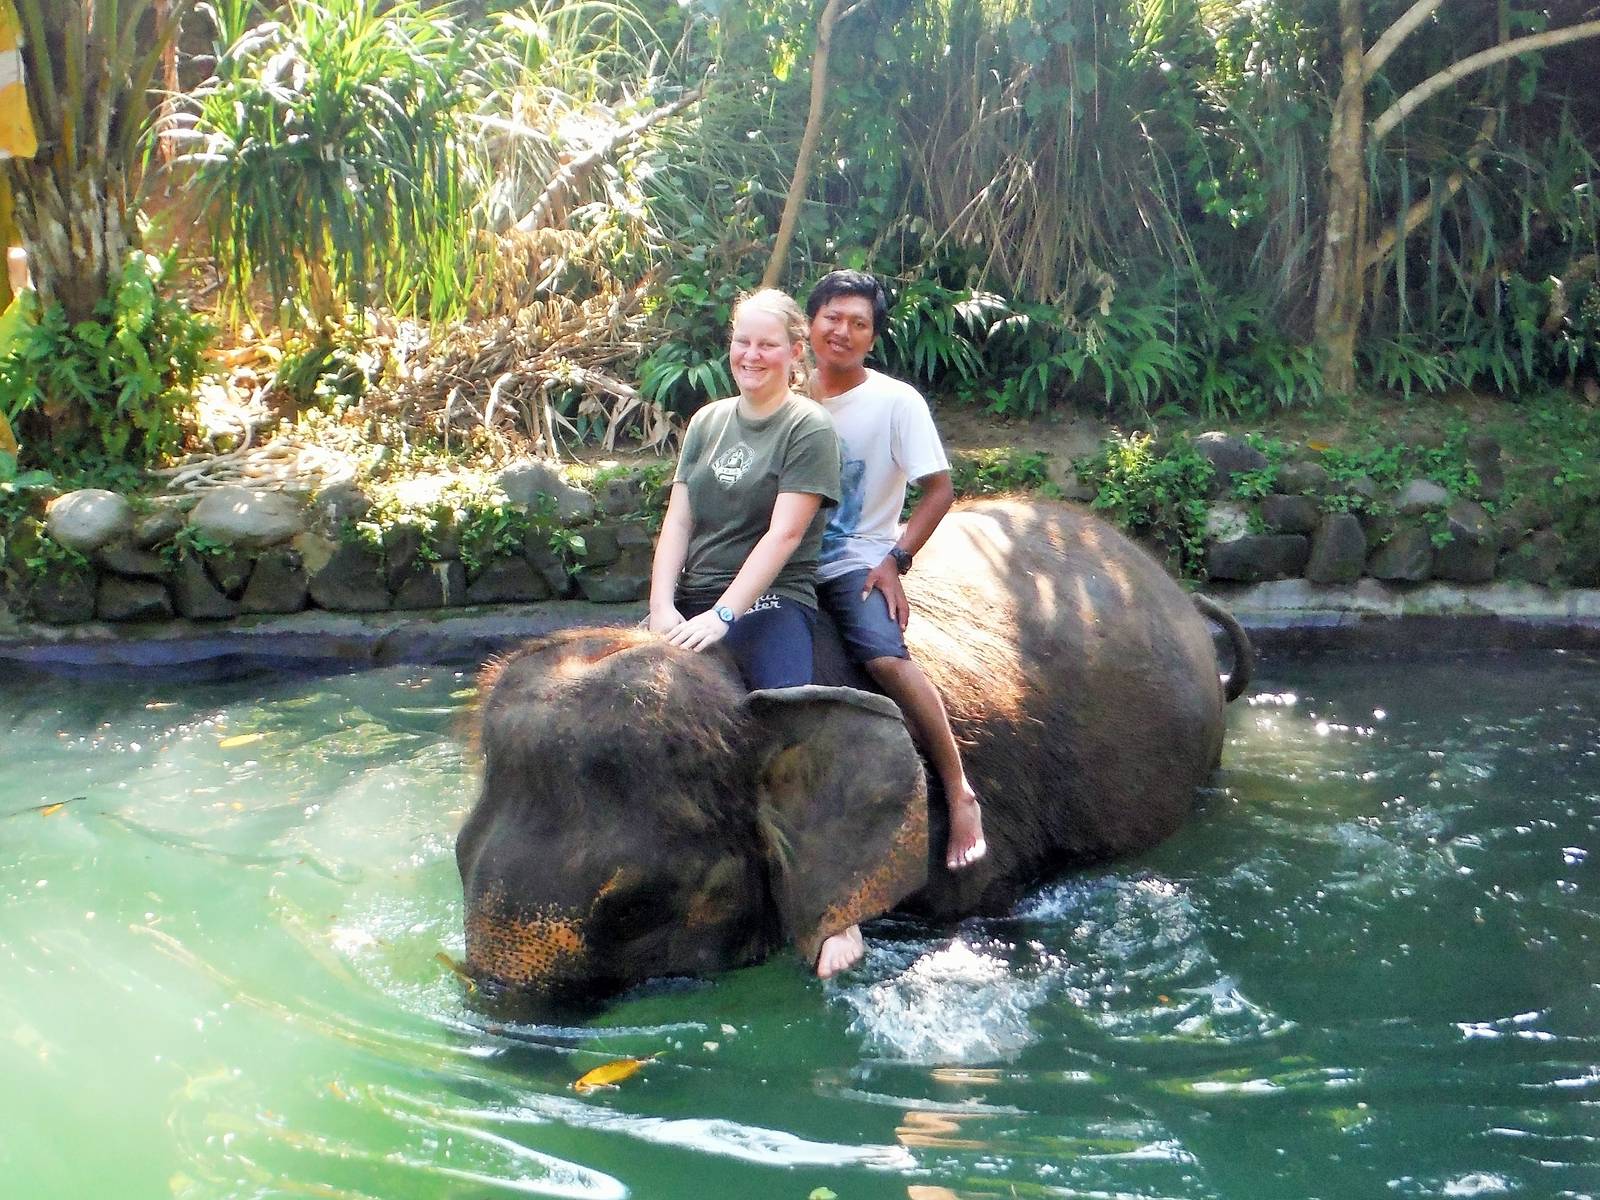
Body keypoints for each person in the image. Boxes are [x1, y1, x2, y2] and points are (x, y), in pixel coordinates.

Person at [806, 269, 986, 897]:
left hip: (855, 557)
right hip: (781, 559)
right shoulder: (787, 393)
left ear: (872, 335)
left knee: (883, 656)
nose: (843, 331)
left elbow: (940, 490)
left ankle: (959, 790)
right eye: (832, 317)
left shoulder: (895, 402)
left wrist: (895, 559)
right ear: (810, 324)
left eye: (858, 322)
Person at [648, 287, 841, 696]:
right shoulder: (706, 421)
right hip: (693, 593)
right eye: (743, 342)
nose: (751, 355)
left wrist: (724, 615)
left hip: (773, 599)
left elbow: (784, 534)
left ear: (795, 352)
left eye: (767, 345)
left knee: (784, 716)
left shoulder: (808, 426)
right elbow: (679, 521)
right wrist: (661, 607)